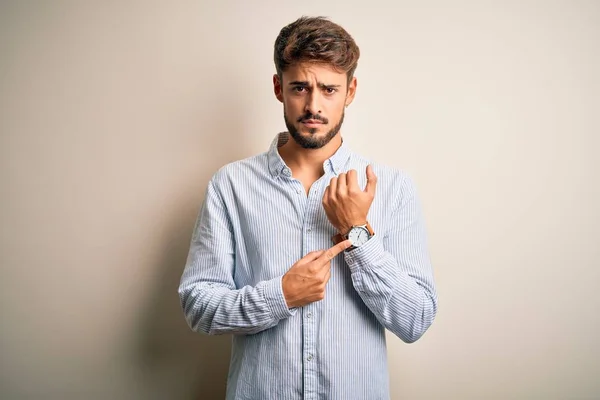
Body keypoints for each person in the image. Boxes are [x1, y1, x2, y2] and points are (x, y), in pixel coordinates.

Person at [178, 16, 438, 400]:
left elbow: (414, 320)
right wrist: (279, 295)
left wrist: (359, 235)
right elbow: (198, 305)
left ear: (350, 91)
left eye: (329, 89)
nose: (313, 105)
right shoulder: (231, 185)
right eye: (300, 87)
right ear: (278, 87)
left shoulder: (393, 188)